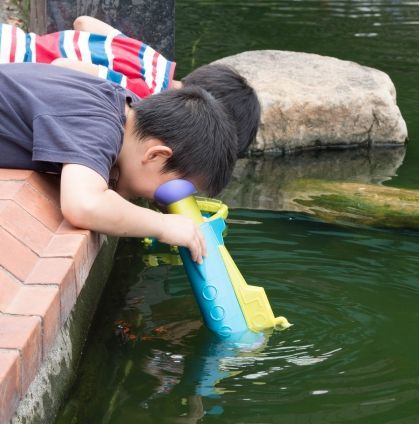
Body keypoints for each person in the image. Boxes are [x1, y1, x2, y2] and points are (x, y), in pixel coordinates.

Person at [0, 62, 238, 262]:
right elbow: (84, 206)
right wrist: (163, 225)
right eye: (177, 189)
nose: (169, 200)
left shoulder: (124, 109)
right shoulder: (98, 125)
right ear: (155, 155)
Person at [0, 17, 260, 156]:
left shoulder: (153, 59)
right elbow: (62, 67)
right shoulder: (142, 96)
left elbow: (84, 22)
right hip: (10, 66)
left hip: (11, 39)